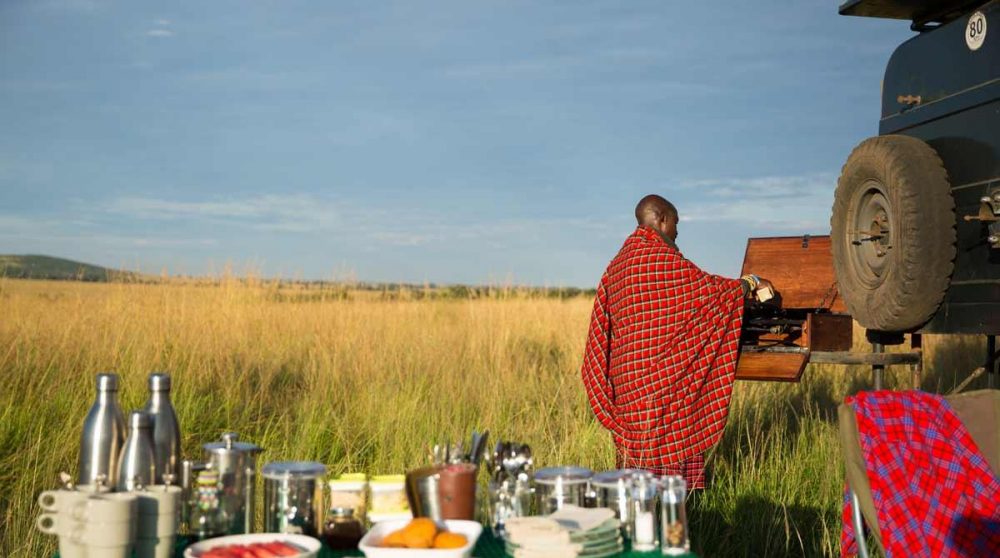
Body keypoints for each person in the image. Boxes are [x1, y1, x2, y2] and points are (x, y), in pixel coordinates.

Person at [580, 194, 773, 489]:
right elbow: (710, 294)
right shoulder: (660, 259)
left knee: (636, 483)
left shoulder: (618, 263)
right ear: (662, 219)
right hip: (661, 387)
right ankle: (675, 511)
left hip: (628, 387)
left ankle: (643, 511)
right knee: (671, 481)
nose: (677, 231)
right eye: (676, 223)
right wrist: (750, 282)